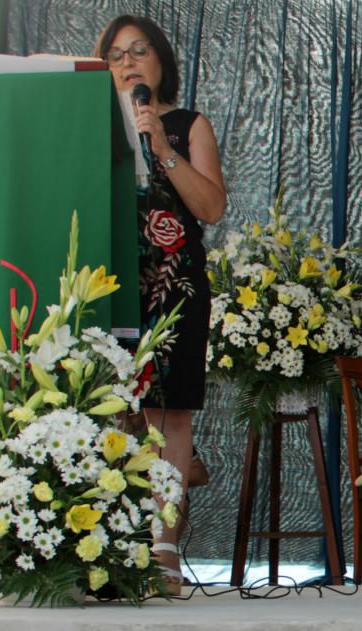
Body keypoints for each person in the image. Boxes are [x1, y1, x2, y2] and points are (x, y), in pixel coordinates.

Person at [96, 15, 227, 593]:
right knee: (103, 407)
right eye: (116, 54)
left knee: (167, 412)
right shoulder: (92, 128)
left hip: (174, 284)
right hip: (106, 280)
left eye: (138, 50)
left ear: (161, 61)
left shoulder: (187, 124)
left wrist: (160, 148)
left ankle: (163, 548)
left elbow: (212, 208)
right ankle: (98, 546)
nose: (127, 62)